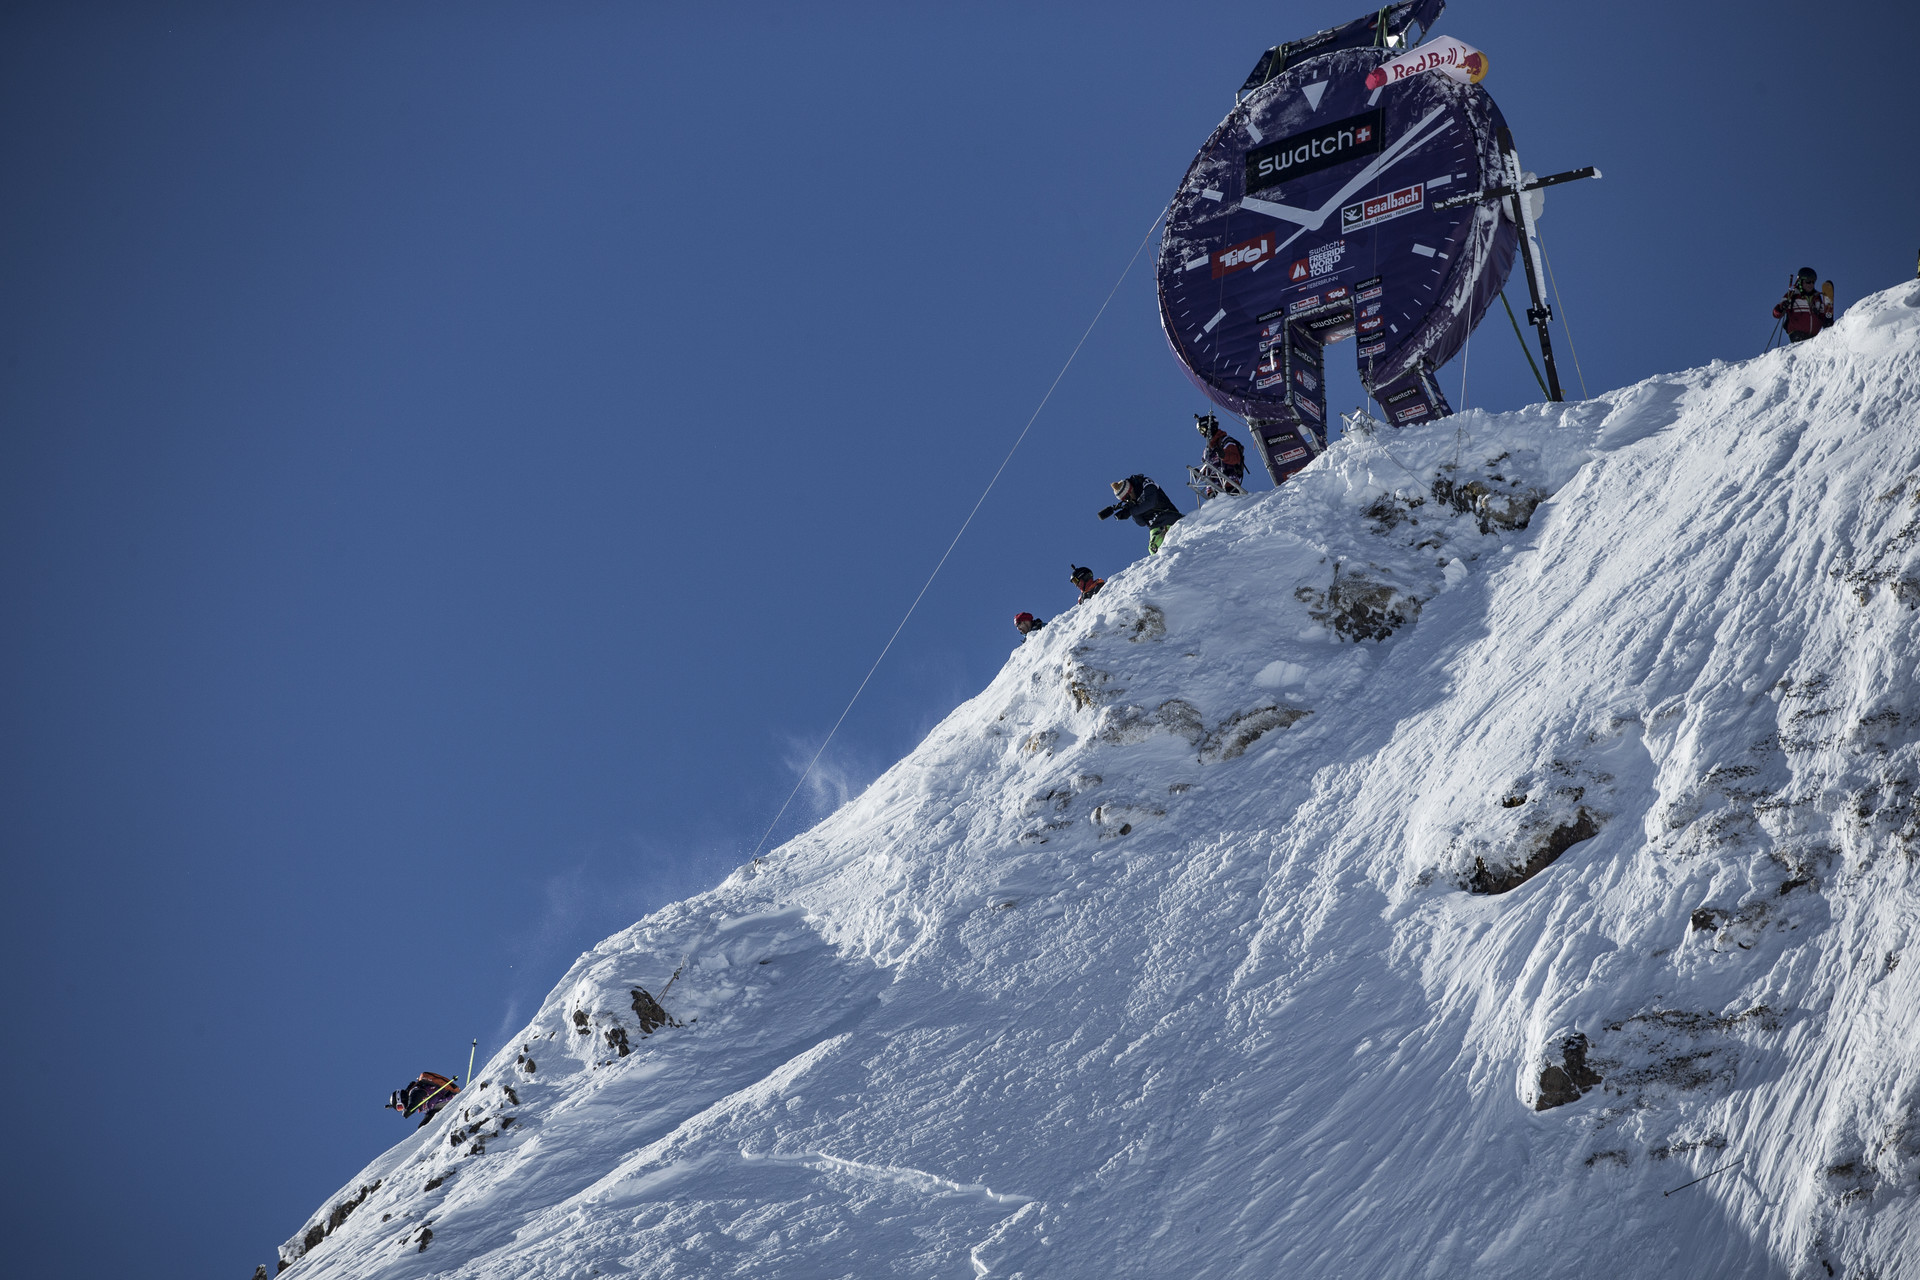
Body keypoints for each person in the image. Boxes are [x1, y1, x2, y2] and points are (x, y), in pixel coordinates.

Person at [1099, 475, 1183, 554]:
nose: (1128, 500)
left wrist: (1131, 511)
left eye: (1127, 498)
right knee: (1153, 549)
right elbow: (1142, 523)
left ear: (1130, 490)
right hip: (1155, 526)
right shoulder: (1133, 502)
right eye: (1125, 500)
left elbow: (1151, 503)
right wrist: (1131, 509)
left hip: (1169, 517)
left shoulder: (1145, 483)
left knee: (1160, 545)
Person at [1772, 267, 1833, 343]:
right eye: (1808, 281)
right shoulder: (1793, 295)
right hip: (1797, 334)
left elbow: (1821, 314)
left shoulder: (1817, 297)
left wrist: (1827, 320)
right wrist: (1781, 308)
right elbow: (1776, 313)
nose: (1811, 284)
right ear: (1801, 281)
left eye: (1813, 282)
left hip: (1814, 336)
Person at [1194, 413, 1247, 498]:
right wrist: (1200, 474)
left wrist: (1224, 456)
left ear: (1210, 427)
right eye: (1200, 431)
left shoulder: (1226, 442)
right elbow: (1209, 468)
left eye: (1203, 430)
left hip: (1229, 485)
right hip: (1213, 489)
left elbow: (1236, 459)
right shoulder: (1207, 450)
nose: (1202, 434)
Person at [387, 1071, 461, 1128]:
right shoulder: (420, 1104)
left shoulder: (414, 1091)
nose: (403, 1109)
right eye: (400, 1109)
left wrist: (409, 1109)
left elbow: (417, 1096)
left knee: (430, 1116)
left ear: (401, 1099)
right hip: (441, 1106)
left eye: (400, 1107)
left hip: (448, 1099)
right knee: (427, 1120)